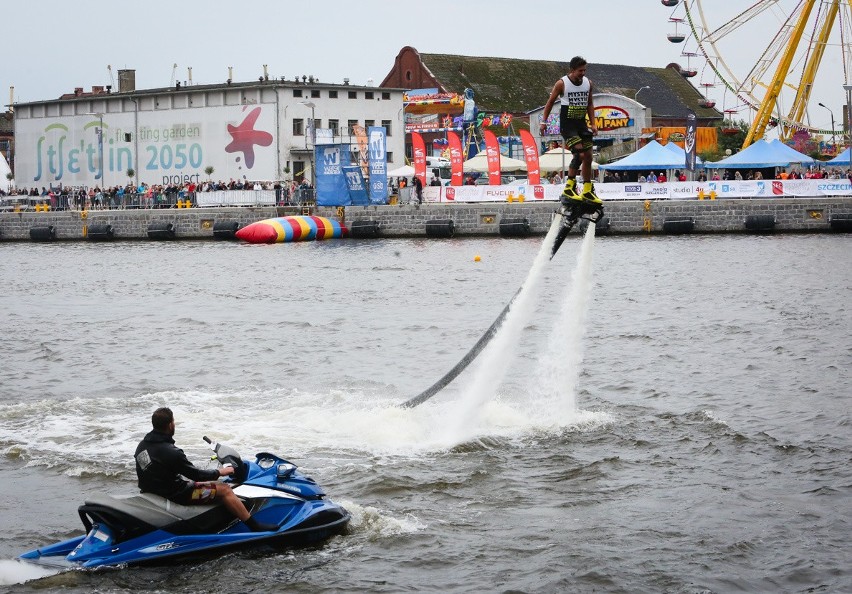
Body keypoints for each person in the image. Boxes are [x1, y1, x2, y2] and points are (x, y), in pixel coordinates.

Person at [135, 407, 277, 532]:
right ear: (170, 424)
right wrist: (220, 472)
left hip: (153, 491)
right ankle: (254, 525)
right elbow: (196, 475)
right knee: (225, 489)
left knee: (204, 482)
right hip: (178, 495)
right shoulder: (172, 452)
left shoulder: (142, 446)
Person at [539, 56, 601, 208]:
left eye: (585, 70)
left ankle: (587, 190)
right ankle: (569, 187)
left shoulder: (588, 84)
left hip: (581, 124)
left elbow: (590, 104)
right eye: (580, 71)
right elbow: (550, 102)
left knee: (588, 156)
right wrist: (543, 122)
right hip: (568, 125)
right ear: (572, 70)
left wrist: (593, 123)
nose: (583, 73)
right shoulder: (562, 83)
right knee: (579, 154)